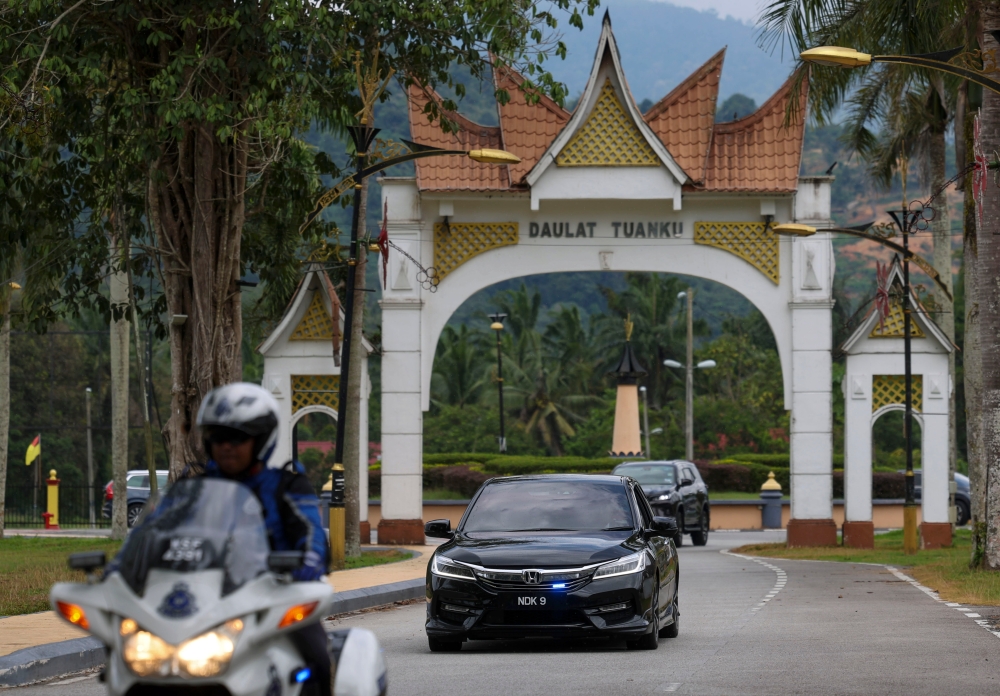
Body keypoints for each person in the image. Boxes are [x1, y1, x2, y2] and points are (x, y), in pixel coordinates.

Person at [195, 382, 331, 696]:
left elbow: (311, 532)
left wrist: (309, 559)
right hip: (203, 597)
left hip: (274, 595)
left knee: (318, 659)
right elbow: (158, 531)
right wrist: (121, 567)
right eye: (218, 437)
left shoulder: (286, 486)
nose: (226, 445)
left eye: (238, 437)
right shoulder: (194, 491)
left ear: (260, 440)